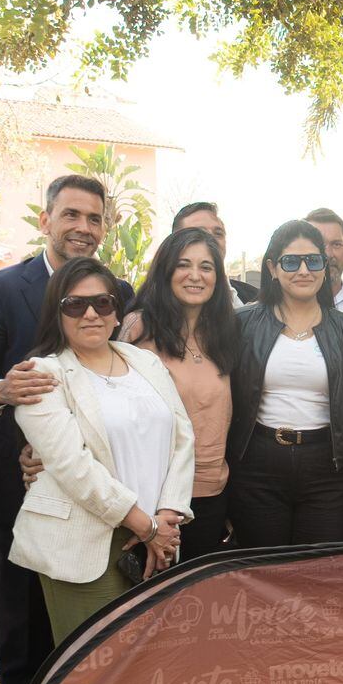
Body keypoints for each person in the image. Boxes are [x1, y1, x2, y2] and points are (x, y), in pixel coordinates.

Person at [0, 174, 133, 684]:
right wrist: (1, 394)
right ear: (45, 220)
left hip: (98, 490)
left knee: (94, 625)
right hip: (21, 487)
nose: (82, 228)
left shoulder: (117, 294)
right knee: (22, 626)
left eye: (94, 218)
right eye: (71, 215)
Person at [10, 257, 194, 642]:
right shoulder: (42, 374)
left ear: (116, 312)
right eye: (74, 305)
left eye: (103, 303)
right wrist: (146, 527)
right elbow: (72, 466)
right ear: (57, 314)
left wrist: (168, 517)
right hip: (86, 544)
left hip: (158, 539)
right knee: (93, 676)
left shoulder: (145, 361)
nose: (91, 313)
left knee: (150, 670)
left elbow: (182, 438)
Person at [228, 220, 343, 546]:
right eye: (290, 261)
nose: (303, 270)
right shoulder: (242, 324)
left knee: (318, 577)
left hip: (328, 470)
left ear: (325, 267)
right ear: (272, 267)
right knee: (263, 575)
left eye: (313, 261)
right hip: (257, 467)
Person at [117, 229, 237, 559]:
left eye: (206, 267)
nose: (195, 276)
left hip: (211, 495)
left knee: (198, 602)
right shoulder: (138, 328)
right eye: (184, 265)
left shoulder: (224, 333)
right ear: (166, 271)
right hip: (153, 497)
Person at [172, 201, 257, 304]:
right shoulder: (149, 308)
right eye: (200, 232)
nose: (211, 239)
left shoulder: (256, 299)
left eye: (218, 233)